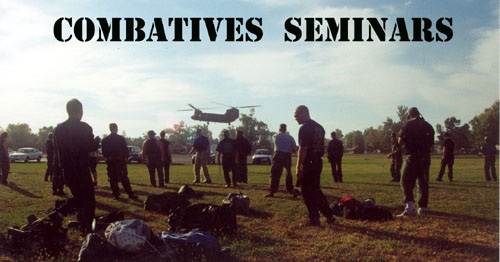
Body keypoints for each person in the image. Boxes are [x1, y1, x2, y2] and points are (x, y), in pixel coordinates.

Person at [53, 98, 99, 233]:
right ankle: (86, 225)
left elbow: (58, 151)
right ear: (80, 111)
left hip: (67, 169)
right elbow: (89, 147)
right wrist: (97, 141)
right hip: (81, 168)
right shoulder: (84, 127)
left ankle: (65, 215)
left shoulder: (58, 129)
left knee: (78, 196)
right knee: (88, 198)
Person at [294, 105, 335, 226]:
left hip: (309, 162)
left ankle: (314, 219)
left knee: (307, 192)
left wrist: (298, 167)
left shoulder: (304, 128)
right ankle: (329, 215)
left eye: (296, 115)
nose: (295, 118)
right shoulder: (319, 127)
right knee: (316, 191)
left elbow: (303, 149)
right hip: (318, 162)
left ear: (304, 113)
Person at [397, 107, 434, 217]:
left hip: (412, 156)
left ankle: (410, 207)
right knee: (423, 182)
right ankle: (422, 208)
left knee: (405, 180)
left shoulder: (408, 124)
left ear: (410, 115)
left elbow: (400, 141)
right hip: (425, 157)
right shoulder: (428, 125)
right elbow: (431, 143)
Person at [102, 123, 137, 200]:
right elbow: (125, 150)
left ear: (110, 129)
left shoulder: (105, 140)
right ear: (116, 128)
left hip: (111, 161)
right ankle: (130, 193)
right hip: (120, 161)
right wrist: (126, 158)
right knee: (124, 178)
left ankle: (116, 194)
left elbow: (104, 152)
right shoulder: (121, 139)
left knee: (112, 179)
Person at [265, 124, 297, 197]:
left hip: (278, 154)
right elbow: (294, 149)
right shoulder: (290, 137)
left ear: (279, 129)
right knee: (288, 172)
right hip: (287, 155)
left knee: (274, 173)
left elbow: (273, 142)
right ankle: (290, 190)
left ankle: (272, 191)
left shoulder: (275, 136)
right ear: (286, 129)